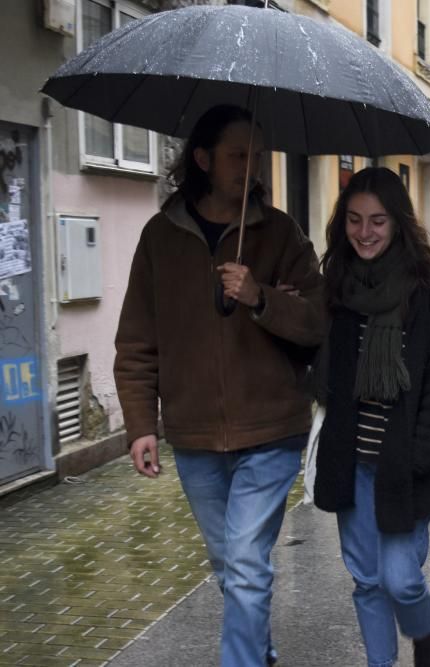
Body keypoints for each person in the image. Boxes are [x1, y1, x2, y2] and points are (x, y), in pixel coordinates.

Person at [114, 105, 326, 667]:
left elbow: (317, 321)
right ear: (203, 160)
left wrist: (261, 297)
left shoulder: (281, 233)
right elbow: (137, 340)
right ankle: (257, 648)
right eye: (239, 155)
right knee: (228, 564)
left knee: (246, 562)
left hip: (271, 428)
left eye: (259, 155)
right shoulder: (160, 237)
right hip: (195, 435)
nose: (251, 167)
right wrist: (140, 426)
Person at [313, 167, 430, 667]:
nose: (365, 232)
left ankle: (423, 638)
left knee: (400, 577)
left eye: (377, 220)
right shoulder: (335, 283)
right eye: (354, 220)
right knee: (366, 579)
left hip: (403, 462)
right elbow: (314, 359)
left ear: (398, 221)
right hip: (351, 458)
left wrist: (422, 453)